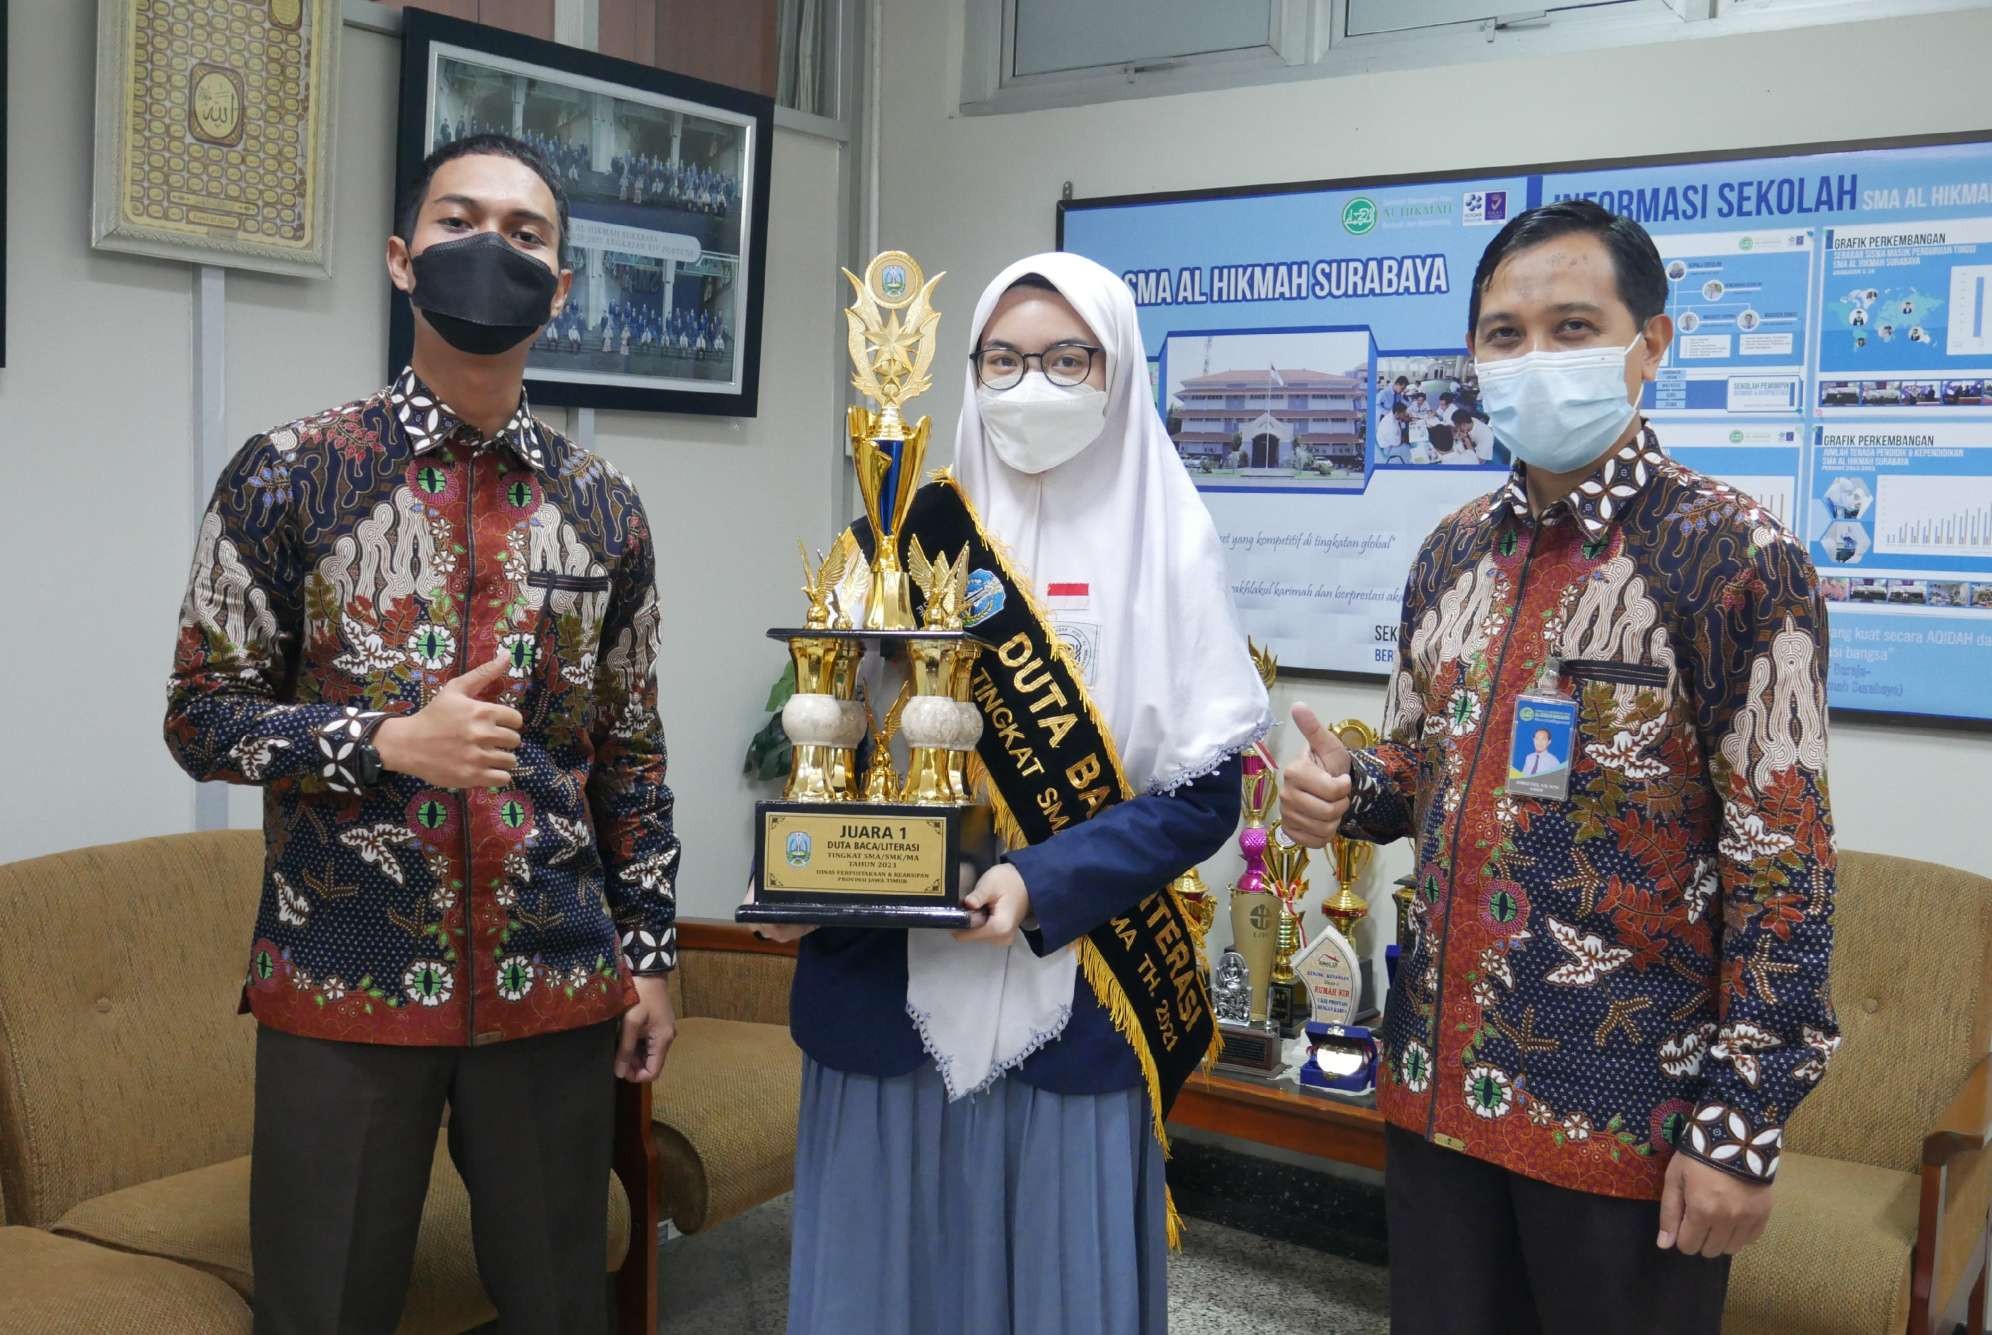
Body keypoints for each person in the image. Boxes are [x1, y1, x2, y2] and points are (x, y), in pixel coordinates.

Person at [1277, 200, 1837, 1335]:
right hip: (1439, 1099)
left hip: (1629, 1123)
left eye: (1572, 326)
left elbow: (1787, 866)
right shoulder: (1450, 555)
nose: (1535, 360)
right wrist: (1355, 788)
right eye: (1504, 335)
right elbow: (1421, 770)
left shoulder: (1733, 556)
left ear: (1652, 344)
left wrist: (1743, 1128)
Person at [162, 133, 679, 1334]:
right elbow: (198, 717)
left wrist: (648, 949)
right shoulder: (290, 473)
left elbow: (632, 748)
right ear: (403, 259)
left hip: (556, 977)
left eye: (526, 233)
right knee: (327, 1306)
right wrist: (386, 743)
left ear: (560, 286)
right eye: (459, 222)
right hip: (343, 978)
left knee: (562, 1302)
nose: (489, 249)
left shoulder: (604, 508)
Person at [753, 253, 1270, 1335]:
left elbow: (1203, 797)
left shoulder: (1173, 547)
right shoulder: (896, 539)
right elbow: (818, 737)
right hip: (883, 996)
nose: (1030, 384)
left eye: (1065, 358)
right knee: (880, 1288)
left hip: (1081, 997)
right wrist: (803, 871)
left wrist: (1039, 882)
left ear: (1116, 369)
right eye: (1004, 359)